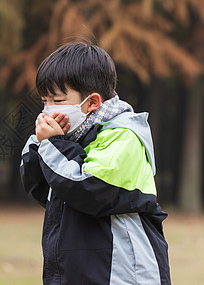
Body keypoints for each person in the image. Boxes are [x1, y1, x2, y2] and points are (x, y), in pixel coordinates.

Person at [20, 42, 171, 285]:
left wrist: (52, 144)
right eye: (44, 100)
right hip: (76, 273)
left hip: (121, 274)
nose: (48, 110)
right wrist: (41, 143)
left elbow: (88, 187)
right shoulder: (72, 137)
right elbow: (45, 189)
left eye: (57, 101)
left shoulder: (124, 134)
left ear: (92, 103)